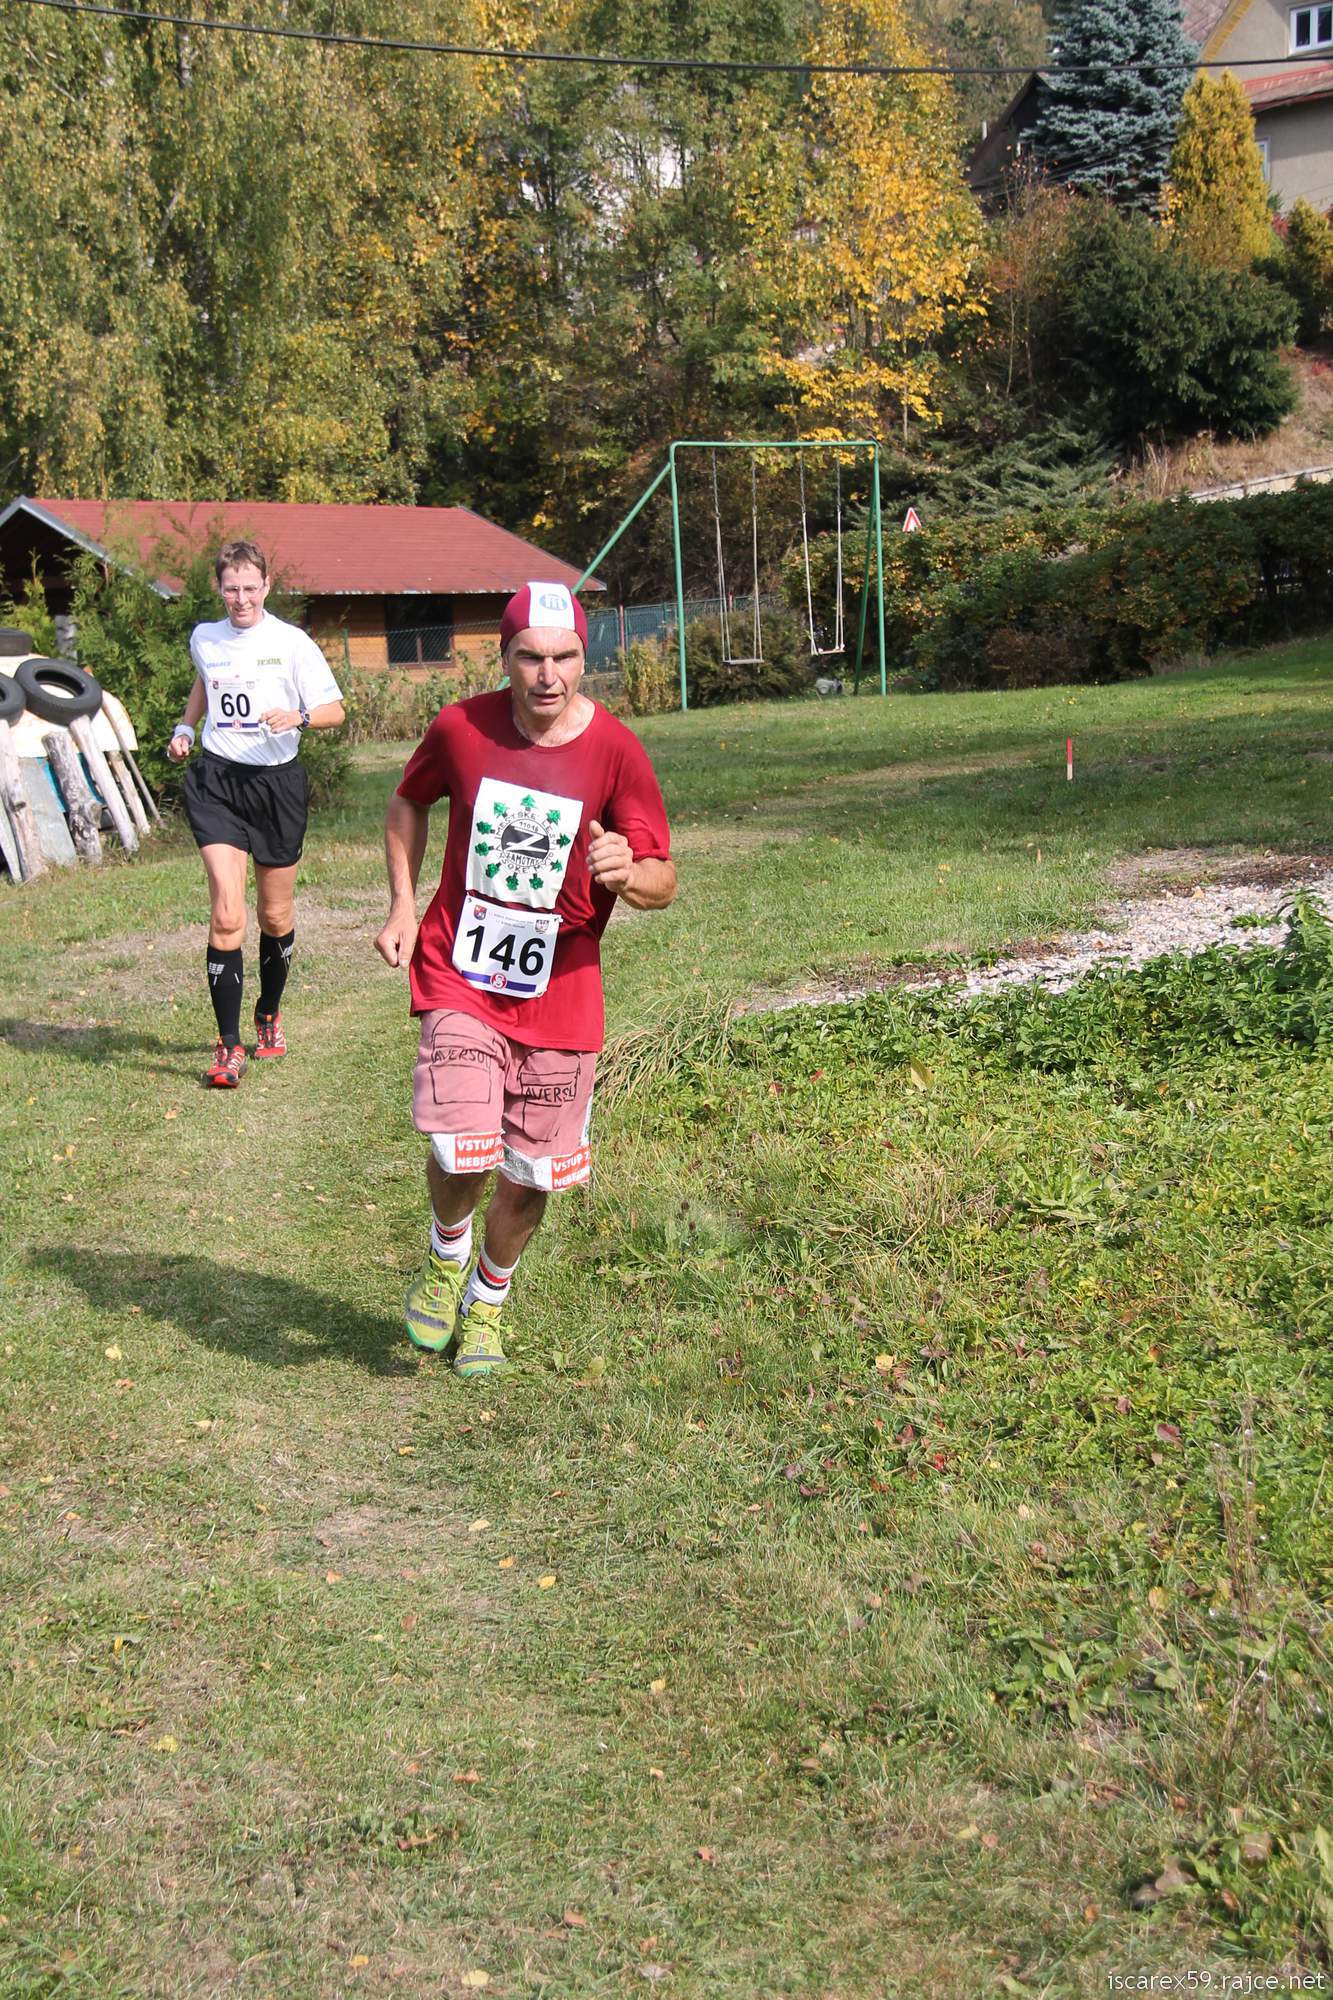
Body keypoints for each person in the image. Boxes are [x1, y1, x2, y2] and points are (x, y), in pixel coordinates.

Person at [376, 581, 676, 1376]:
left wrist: (628, 873)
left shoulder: (615, 749)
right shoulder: (461, 728)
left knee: (531, 1174)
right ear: (504, 657)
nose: (549, 675)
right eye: (531, 657)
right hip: (461, 971)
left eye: (565, 657)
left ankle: (486, 1302)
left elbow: (662, 878)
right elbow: (407, 804)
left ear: (584, 656)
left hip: (561, 992)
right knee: (461, 1146)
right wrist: (403, 904)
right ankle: (446, 1255)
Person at [168, 540, 345, 1087]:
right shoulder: (205, 637)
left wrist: (298, 717)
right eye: (231, 589)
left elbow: (335, 711)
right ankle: (228, 1046)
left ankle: (268, 1012)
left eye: (250, 588)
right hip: (217, 782)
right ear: (218, 588)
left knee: (274, 914)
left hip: (276, 787)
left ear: (266, 586)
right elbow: (206, 681)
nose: (241, 598)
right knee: (227, 914)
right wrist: (186, 726)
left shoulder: (292, 643)